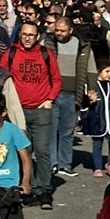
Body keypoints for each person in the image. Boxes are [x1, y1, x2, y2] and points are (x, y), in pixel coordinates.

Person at [1, 21, 61, 209]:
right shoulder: (10, 53)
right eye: (24, 34)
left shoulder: (46, 54)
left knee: (42, 150)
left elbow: (57, 79)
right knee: (24, 152)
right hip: (18, 111)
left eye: (31, 35)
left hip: (41, 109)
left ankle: (44, 189)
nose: (27, 38)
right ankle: (28, 187)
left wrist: (50, 99)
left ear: (37, 37)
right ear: (20, 35)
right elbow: (2, 77)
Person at [44, 13, 94, 178]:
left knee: (67, 132)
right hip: (52, 94)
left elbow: (91, 68)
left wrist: (92, 88)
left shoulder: (82, 46)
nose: (59, 33)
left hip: (73, 95)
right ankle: (52, 163)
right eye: (57, 30)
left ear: (71, 30)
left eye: (63, 31)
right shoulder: (47, 43)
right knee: (51, 130)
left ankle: (65, 164)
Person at [82, 60, 110, 176]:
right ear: (98, 72)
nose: (109, 74)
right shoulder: (92, 86)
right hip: (97, 121)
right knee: (97, 144)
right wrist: (89, 100)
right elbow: (83, 103)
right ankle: (97, 166)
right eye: (106, 71)